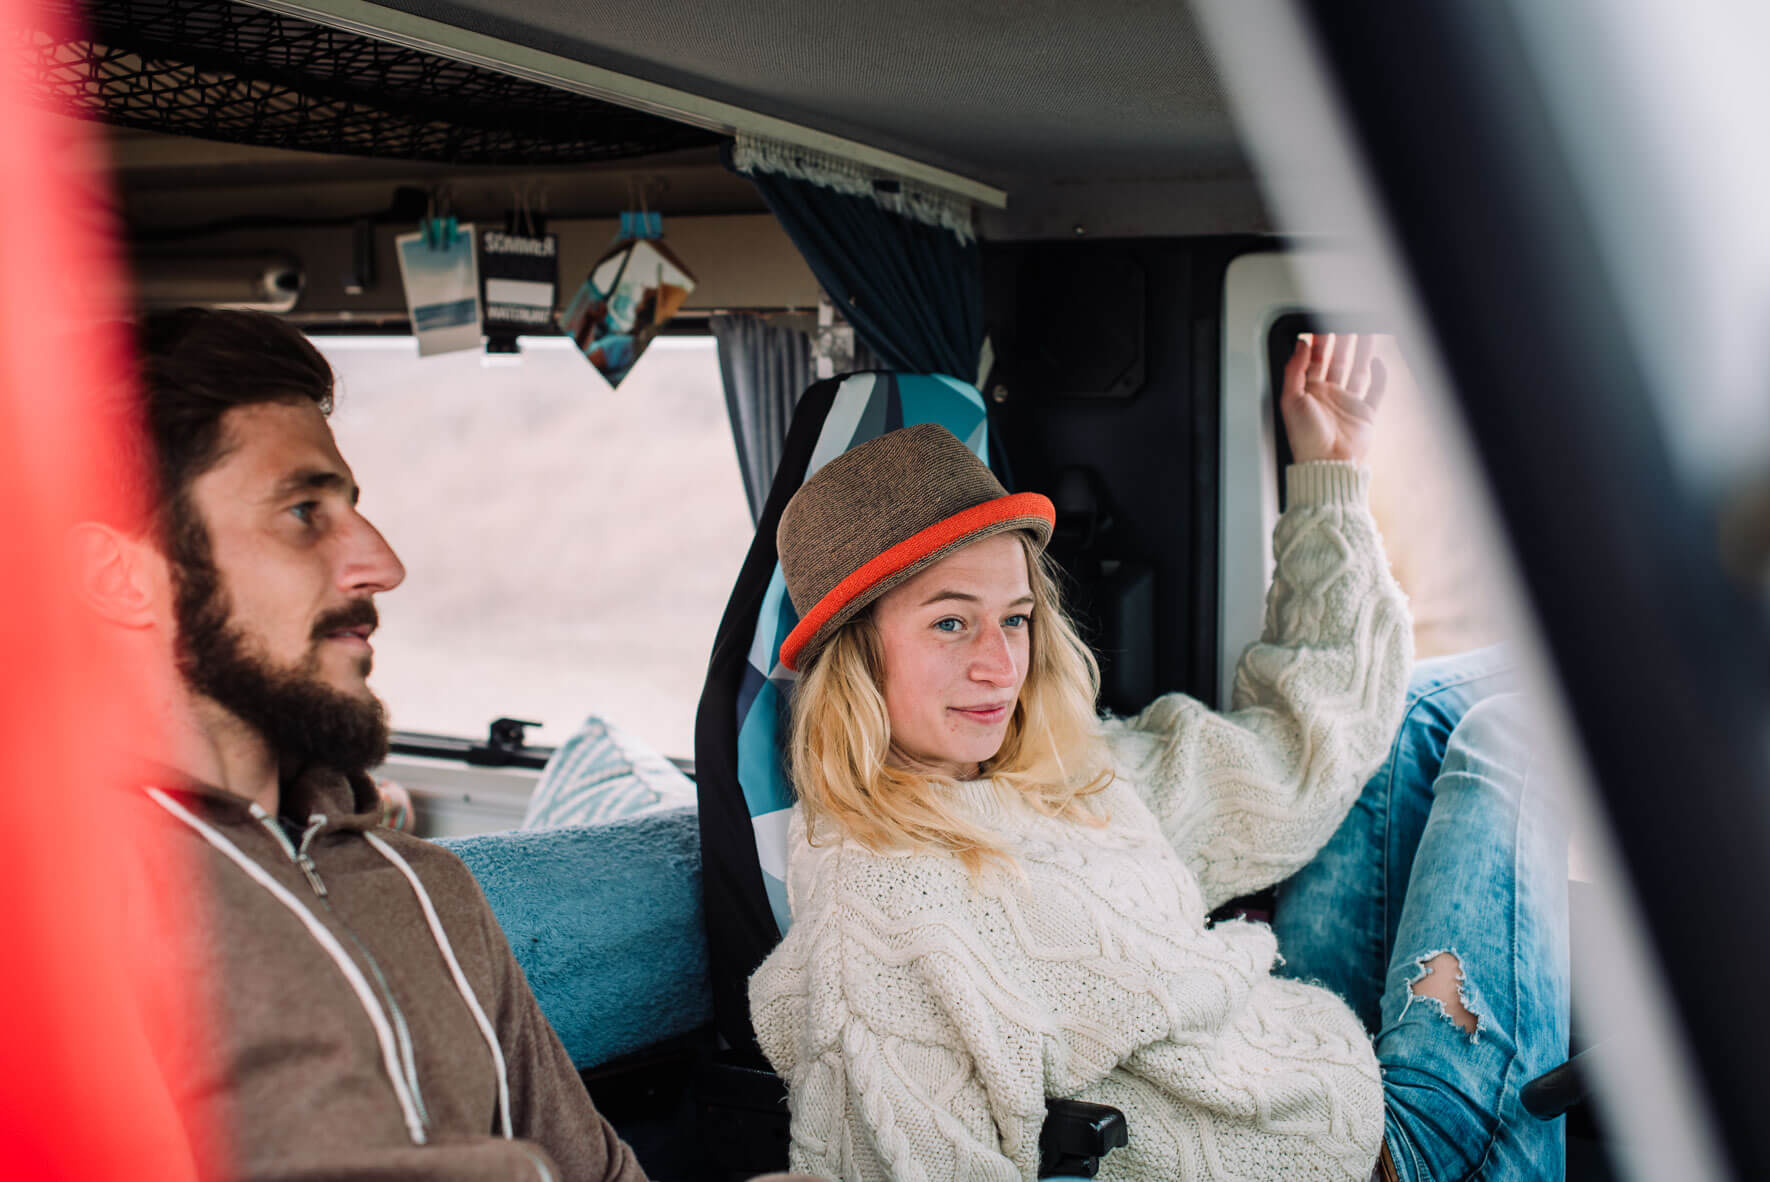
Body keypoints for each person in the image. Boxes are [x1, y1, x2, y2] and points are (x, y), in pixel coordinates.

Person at [748, 333, 1568, 1180]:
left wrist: (1328, 475)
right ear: (854, 656)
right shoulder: (883, 918)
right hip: (1371, 1156)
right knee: (1518, 723)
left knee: (1422, 708)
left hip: (1301, 1077)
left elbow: (1289, 755)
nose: (1000, 665)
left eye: (1016, 618)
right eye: (951, 622)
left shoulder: (1047, 775)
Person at [76, 308, 646, 1180]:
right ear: (121, 578)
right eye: (304, 512)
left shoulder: (429, 887)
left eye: (354, 509)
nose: (382, 563)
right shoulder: (57, 909)